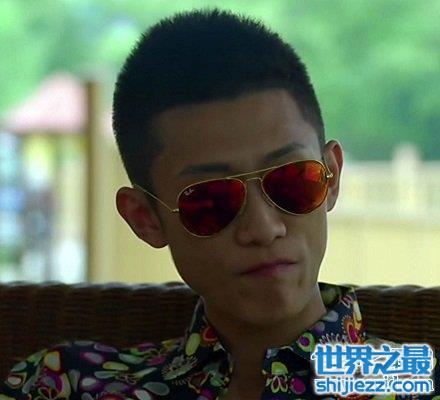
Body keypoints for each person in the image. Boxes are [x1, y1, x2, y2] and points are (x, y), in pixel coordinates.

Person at [0, 8, 438, 400]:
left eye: (291, 181)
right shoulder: (65, 384)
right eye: (211, 200)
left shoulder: (415, 384)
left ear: (332, 176)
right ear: (145, 218)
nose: (263, 228)